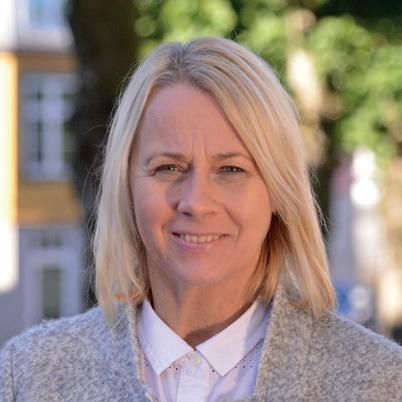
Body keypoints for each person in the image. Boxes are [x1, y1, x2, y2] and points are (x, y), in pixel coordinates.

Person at [1, 37, 401, 402]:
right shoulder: (30, 377)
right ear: (126, 187)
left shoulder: (378, 382)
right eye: (168, 167)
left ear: (279, 191)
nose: (196, 202)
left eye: (231, 170)